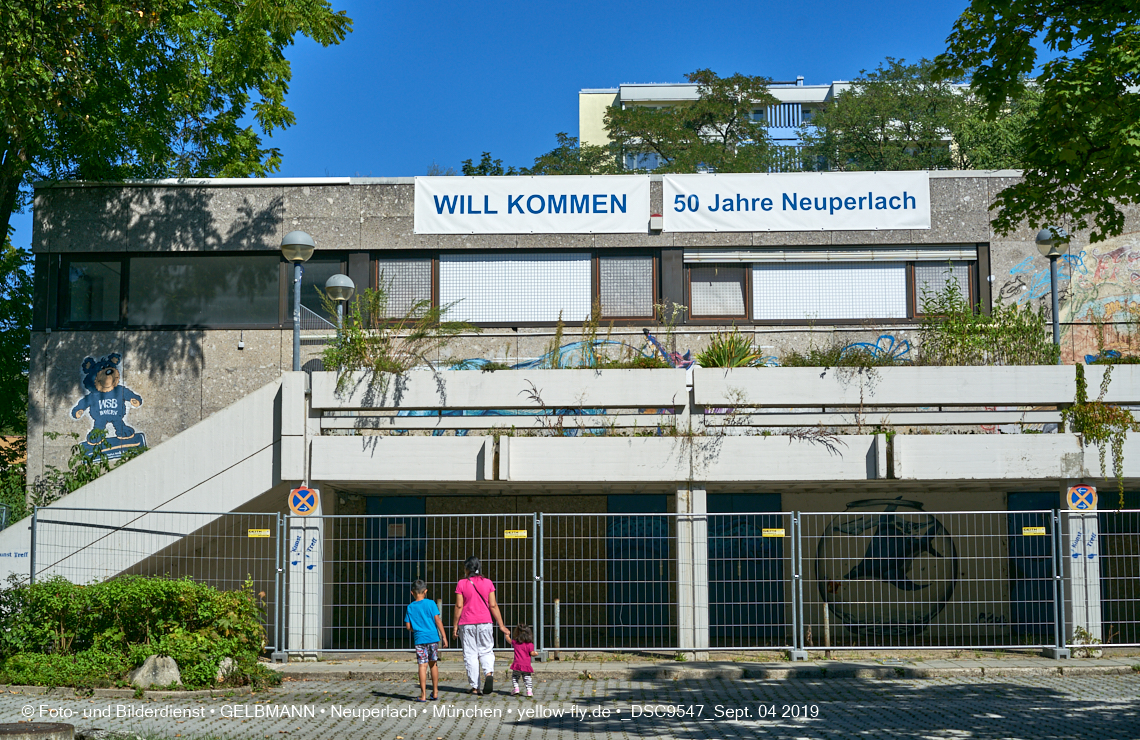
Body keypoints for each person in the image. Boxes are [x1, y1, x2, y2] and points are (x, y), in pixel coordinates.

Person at [452, 555, 511, 695]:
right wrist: (501, 625)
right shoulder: (488, 583)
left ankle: (475, 687)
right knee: (486, 650)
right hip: (485, 622)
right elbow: (493, 605)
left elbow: (459, 606)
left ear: (467, 569)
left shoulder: (462, 583)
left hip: (467, 623)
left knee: (470, 654)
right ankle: (488, 673)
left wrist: (455, 626)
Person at [404, 579, 447, 701]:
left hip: (419, 639)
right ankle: (435, 692)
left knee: (422, 666)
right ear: (426, 591)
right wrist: (444, 636)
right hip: (433, 638)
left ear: (412, 593)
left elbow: (408, 626)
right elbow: (438, 620)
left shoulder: (410, 607)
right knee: (433, 664)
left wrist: (417, 629)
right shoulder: (431, 603)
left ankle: (423, 695)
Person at [508, 623, 536, 697]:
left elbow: (509, 640)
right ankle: (529, 691)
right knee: (527, 678)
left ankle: (516, 688)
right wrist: (535, 653)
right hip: (526, 665)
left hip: (517, 664)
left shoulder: (516, 643)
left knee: (515, 677)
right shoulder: (530, 645)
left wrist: (506, 635)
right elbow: (532, 653)